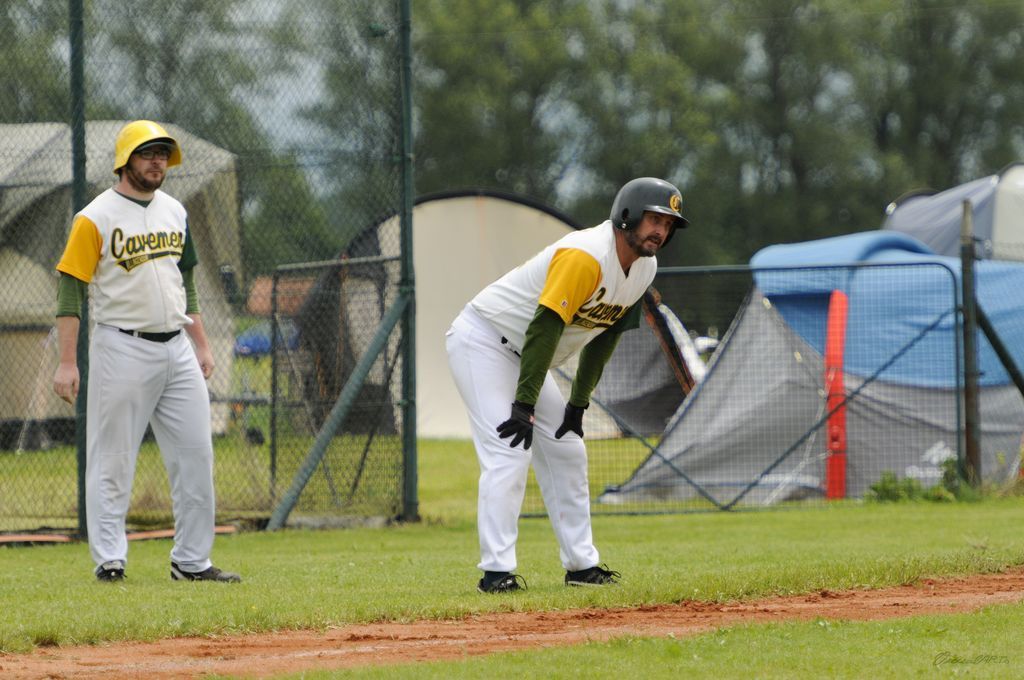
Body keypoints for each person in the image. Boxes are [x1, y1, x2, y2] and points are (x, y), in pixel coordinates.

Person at [445, 177, 689, 593]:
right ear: (627, 215)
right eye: (654, 219)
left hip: (525, 356)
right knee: (509, 450)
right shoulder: (585, 256)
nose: (661, 231)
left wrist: (578, 403)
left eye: (668, 225)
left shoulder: (644, 269)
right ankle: (496, 573)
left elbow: (606, 336)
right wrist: (524, 405)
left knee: (568, 450)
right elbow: (544, 328)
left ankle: (581, 566)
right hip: (484, 340)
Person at [52, 120, 241, 583]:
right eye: (147, 153)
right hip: (122, 346)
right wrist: (67, 362)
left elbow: (185, 283)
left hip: (177, 345)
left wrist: (201, 343)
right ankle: (109, 560)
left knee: (196, 456)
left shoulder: (175, 211)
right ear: (125, 161)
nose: (157, 162)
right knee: (113, 458)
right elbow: (71, 290)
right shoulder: (94, 217)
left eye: (162, 154)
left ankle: (191, 562)